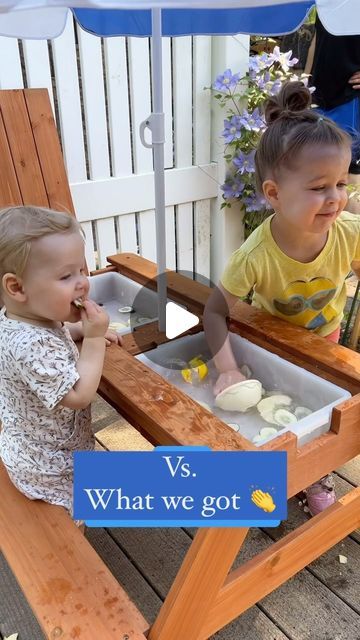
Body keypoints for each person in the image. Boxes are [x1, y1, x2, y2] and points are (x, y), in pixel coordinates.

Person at [204, 81, 360, 515]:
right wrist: (229, 370)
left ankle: (315, 475)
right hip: (272, 348)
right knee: (275, 418)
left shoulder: (349, 232)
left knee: (321, 416)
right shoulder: (255, 255)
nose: (334, 198)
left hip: (325, 344)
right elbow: (215, 311)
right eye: (318, 188)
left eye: (341, 183)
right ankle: (273, 484)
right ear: (273, 194)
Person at [0, 206, 120, 520]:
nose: (83, 283)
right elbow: (79, 395)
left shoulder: (26, 319)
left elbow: (55, 331)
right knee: (76, 517)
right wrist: (93, 340)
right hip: (48, 469)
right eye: (66, 276)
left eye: (82, 269)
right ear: (17, 287)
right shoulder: (29, 345)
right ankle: (74, 554)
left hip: (41, 449)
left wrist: (79, 329)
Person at [305, 14, 360, 213]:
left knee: (348, 173)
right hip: (318, 97)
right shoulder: (327, 4)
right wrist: (305, 84)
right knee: (319, 170)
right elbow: (316, 40)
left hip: (350, 97)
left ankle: (354, 242)